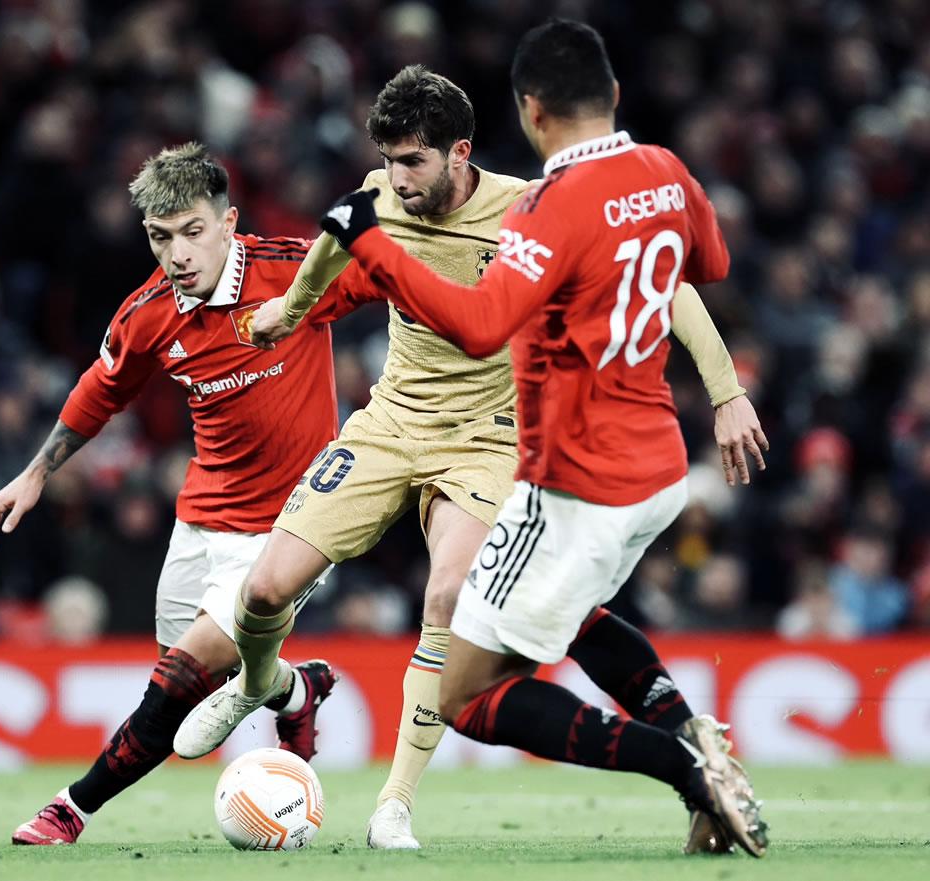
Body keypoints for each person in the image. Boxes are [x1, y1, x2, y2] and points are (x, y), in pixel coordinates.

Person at [175, 66, 766, 854]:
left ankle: (394, 805)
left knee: (450, 595)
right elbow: (332, 244)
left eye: (413, 162)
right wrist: (288, 311)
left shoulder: (532, 209)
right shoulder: (381, 195)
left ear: (459, 153)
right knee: (263, 589)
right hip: (391, 421)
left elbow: (674, 290)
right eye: (388, 161)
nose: (397, 179)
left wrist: (726, 392)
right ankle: (261, 685)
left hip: (490, 436)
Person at [0, 142, 376, 845]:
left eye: (193, 231)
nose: (178, 253)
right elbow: (101, 390)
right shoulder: (148, 313)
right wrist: (36, 472)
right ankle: (296, 690)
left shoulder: (294, 271)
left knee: (176, 684)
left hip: (291, 527)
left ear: (228, 223)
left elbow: (394, 277)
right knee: (195, 692)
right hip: (201, 522)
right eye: (161, 237)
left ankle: (70, 809)